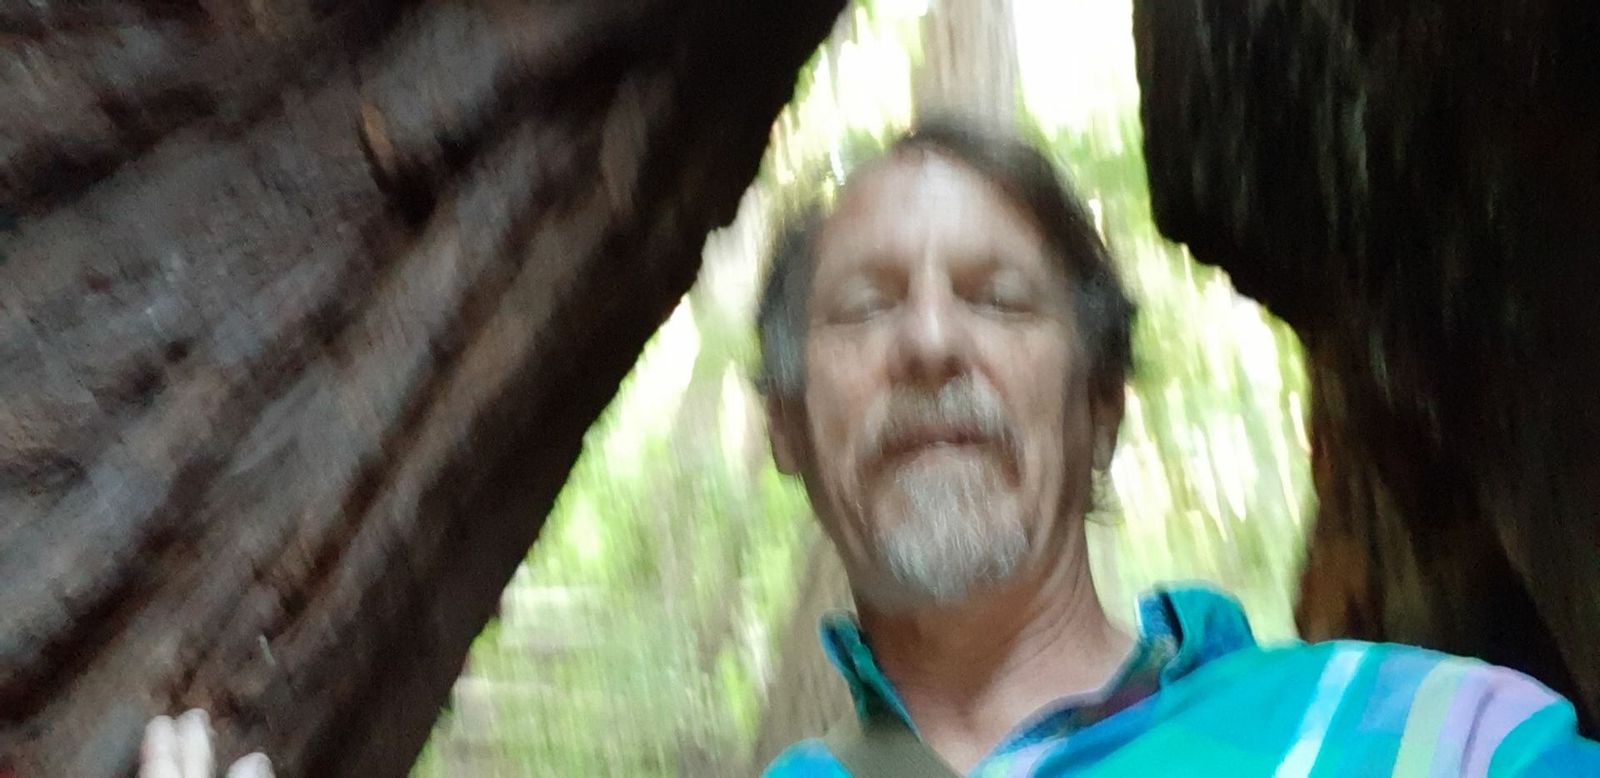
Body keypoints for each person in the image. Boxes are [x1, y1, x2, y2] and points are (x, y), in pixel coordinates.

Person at [754, 117, 1599, 776]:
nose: (932, 342)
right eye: (865, 307)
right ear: (786, 425)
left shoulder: (1434, 739)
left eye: (1000, 299)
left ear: (1100, 408)